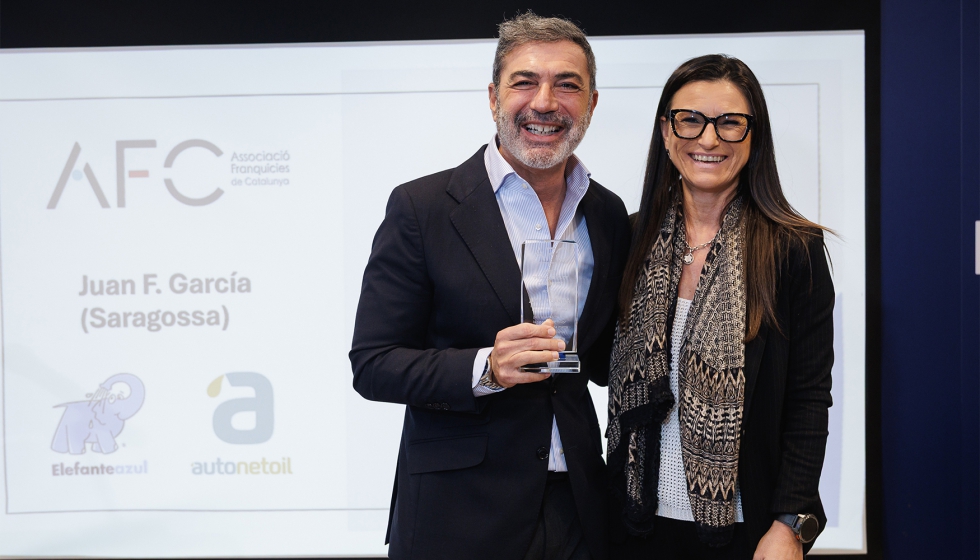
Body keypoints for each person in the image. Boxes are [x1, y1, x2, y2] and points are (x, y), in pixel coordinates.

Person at [350, 13, 630, 560]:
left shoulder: (608, 213)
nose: (545, 102)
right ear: (493, 97)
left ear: (592, 103)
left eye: (567, 84)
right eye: (524, 81)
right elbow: (373, 362)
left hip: (578, 506)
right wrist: (485, 367)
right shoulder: (422, 208)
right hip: (458, 514)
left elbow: (600, 359)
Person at [606, 54, 835, 560]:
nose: (708, 140)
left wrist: (790, 524)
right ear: (666, 132)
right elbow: (601, 365)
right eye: (690, 120)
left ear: (754, 137)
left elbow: (808, 399)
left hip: (745, 534)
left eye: (730, 123)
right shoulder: (628, 237)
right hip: (631, 524)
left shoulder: (793, 251)